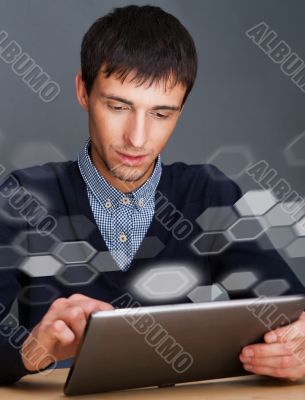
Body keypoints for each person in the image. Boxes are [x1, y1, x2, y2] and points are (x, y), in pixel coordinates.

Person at [1, 4, 305, 385]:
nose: (138, 139)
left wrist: (297, 345)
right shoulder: (23, 195)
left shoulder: (208, 194)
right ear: (83, 90)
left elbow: (289, 312)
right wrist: (31, 350)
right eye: (117, 106)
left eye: (161, 114)